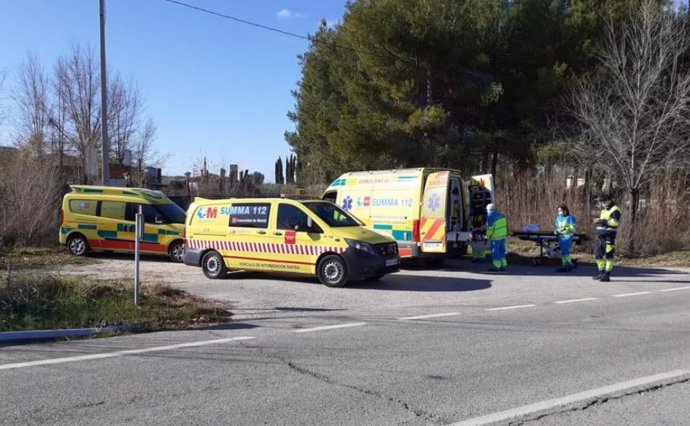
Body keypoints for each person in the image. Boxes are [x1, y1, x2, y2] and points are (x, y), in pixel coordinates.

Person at [593, 198, 621, 282]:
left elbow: (615, 222)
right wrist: (598, 221)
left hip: (609, 236)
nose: (602, 204)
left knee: (609, 255)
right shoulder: (604, 210)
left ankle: (607, 274)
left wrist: (601, 221)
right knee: (597, 254)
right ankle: (601, 273)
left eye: (603, 201)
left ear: (609, 201)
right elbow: (603, 221)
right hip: (600, 236)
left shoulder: (615, 210)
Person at [485, 203, 508, 272]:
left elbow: (490, 229)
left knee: (495, 251)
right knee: (502, 251)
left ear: (488, 209)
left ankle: (496, 266)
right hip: (502, 235)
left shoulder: (490, 216)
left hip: (496, 236)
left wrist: (487, 236)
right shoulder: (501, 214)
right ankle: (503, 266)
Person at [554, 204, 577, 272]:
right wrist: (556, 230)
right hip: (561, 237)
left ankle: (568, 264)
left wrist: (565, 229)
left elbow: (573, 228)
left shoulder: (570, 218)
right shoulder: (558, 218)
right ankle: (567, 264)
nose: (559, 212)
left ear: (565, 210)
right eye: (558, 211)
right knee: (563, 252)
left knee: (564, 251)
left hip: (567, 237)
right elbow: (556, 226)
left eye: (560, 210)